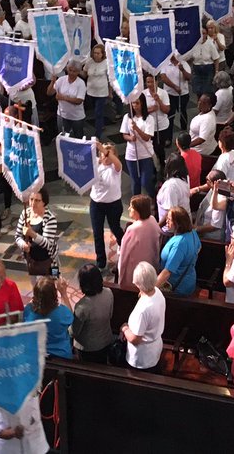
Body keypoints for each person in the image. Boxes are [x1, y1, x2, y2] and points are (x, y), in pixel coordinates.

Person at [123, 261, 166, 370]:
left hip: (142, 357)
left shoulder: (144, 309)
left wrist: (125, 329)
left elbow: (135, 339)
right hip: (154, 346)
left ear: (137, 283)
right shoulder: (157, 292)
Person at [88, 141, 124, 272]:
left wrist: (104, 149)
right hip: (96, 204)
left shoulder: (115, 168)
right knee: (98, 233)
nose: (106, 157)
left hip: (113, 204)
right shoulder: (96, 165)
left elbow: (117, 162)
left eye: (108, 155)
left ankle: (126, 251)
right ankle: (101, 262)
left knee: (115, 229)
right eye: (103, 154)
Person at [71, 264, 114, 363]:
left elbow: (74, 332)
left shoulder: (82, 306)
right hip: (106, 340)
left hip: (87, 348)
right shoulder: (109, 293)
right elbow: (110, 315)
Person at [157, 206, 200, 296]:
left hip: (177, 287)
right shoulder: (192, 232)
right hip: (189, 279)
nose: (166, 221)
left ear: (178, 224)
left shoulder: (179, 244)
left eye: (169, 219)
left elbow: (167, 272)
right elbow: (199, 248)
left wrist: (151, 290)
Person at [117, 195, 160, 284]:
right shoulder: (152, 220)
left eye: (131, 207)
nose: (128, 209)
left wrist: (121, 275)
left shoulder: (133, 229)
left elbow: (124, 255)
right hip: (151, 265)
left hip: (134, 269)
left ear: (138, 210)